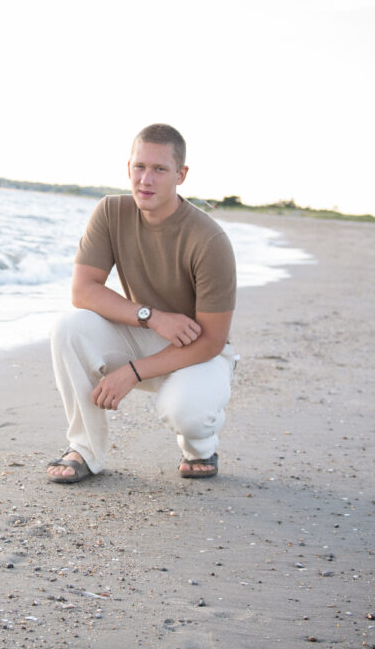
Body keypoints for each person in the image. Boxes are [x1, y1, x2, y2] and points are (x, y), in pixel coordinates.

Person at [47, 123, 237, 483]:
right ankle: (84, 449)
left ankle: (201, 447)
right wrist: (151, 317)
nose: (145, 179)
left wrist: (131, 373)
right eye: (139, 167)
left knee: (185, 411)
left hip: (197, 351)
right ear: (128, 167)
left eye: (159, 169)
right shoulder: (110, 212)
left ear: (181, 175)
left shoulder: (209, 239)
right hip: (142, 333)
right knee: (69, 328)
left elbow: (212, 339)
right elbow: (83, 290)